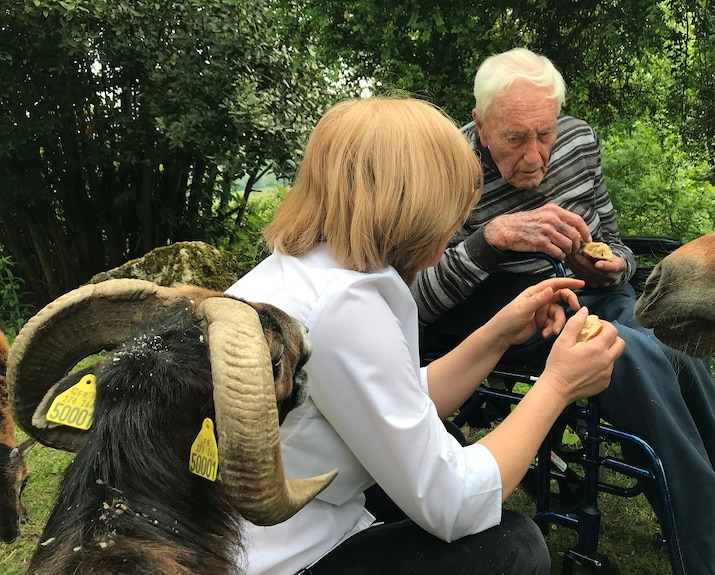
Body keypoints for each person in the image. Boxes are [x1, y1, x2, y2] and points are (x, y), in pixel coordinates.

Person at [411, 47, 715, 575]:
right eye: (515, 139)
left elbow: (618, 249)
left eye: (544, 134)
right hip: (511, 320)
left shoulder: (577, 143)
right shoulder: (445, 171)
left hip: (593, 295)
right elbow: (420, 302)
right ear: (481, 126)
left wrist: (606, 267)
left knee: (676, 345)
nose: (535, 155)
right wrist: (489, 242)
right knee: (629, 354)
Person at [227, 96, 624, 575]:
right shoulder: (344, 307)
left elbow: (400, 398)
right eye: (451, 206)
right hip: (280, 558)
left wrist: (497, 333)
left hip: (248, 539)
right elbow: (453, 504)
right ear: (411, 206)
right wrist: (559, 384)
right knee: (512, 549)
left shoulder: (299, 273)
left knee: (448, 439)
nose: (456, 226)